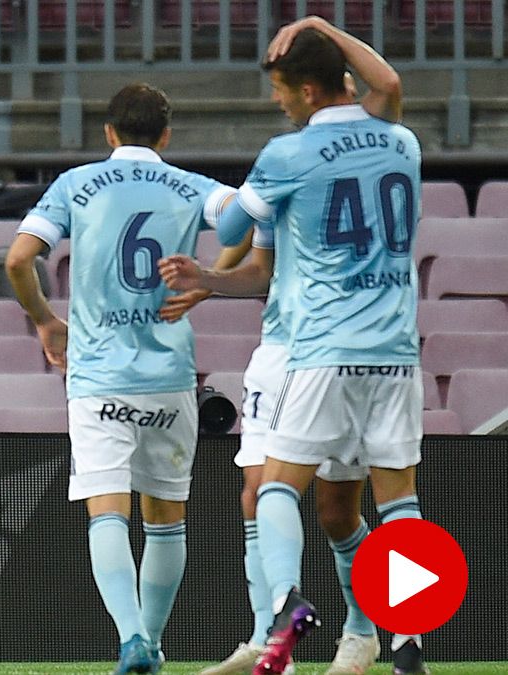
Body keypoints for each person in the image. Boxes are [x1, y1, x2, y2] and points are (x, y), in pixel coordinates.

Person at [162, 22, 425, 675]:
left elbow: (229, 222)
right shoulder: (402, 139)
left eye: (281, 89)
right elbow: (388, 82)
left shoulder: (287, 157)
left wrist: (226, 223)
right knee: (399, 502)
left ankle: (285, 608)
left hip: (322, 348)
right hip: (395, 351)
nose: (278, 102)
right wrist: (215, 283)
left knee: (275, 488)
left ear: (307, 88)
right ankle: (408, 638)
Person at [4, 82, 238, 674]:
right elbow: (251, 224)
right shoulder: (193, 186)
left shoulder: (76, 184)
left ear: (108, 133)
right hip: (170, 375)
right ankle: (153, 645)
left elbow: (16, 259)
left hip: (100, 375)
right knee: (166, 517)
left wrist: (45, 321)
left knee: (107, 510)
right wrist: (209, 280)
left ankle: (131, 639)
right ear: (165, 135)